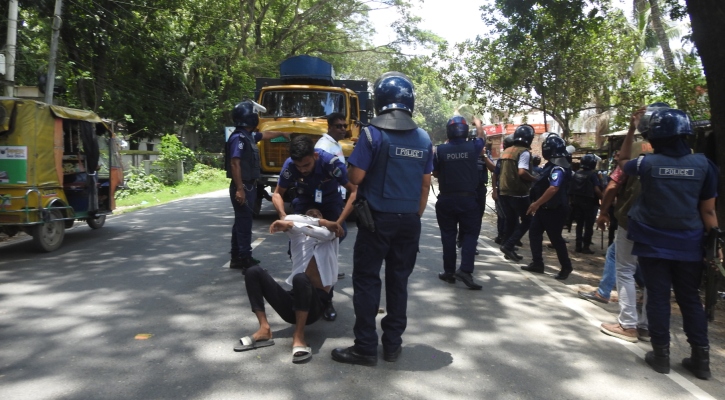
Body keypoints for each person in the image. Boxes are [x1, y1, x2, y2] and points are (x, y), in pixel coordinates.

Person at [331, 72, 433, 366]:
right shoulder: (424, 138)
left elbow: (356, 177)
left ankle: (365, 347)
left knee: (366, 281)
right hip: (409, 222)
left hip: (376, 222)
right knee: (399, 282)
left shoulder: (372, 135)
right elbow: (425, 184)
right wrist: (414, 215)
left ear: (379, 101)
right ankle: (392, 345)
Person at [619, 106, 718, 379]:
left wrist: (631, 128)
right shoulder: (704, 165)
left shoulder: (644, 163)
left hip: (652, 243)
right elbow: (708, 212)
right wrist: (717, 246)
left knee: (658, 297)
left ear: (654, 136)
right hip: (690, 244)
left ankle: (661, 355)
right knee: (690, 299)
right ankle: (701, 359)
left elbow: (621, 159)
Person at [236, 209, 341, 363]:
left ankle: (299, 336)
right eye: (308, 215)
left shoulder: (330, 235)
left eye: (317, 215)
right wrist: (298, 222)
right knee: (253, 271)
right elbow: (290, 218)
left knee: (300, 278)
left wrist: (323, 223)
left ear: (323, 220)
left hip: (315, 305)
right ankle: (264, 329)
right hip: (293, 303)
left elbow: (323, 232)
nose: (312, 216)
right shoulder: (298, 236)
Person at [272, 135, 357, 321]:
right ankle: (301, 293)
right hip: (304, 201)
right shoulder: (289, 165)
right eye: (299, 167)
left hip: (330, 203)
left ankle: (326, 300)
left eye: (307, 165)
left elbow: (354, 191)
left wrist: (339, 222)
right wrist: (283, 217)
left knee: (326, 249)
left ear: (315, 157)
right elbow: (278, 193)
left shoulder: (331, 163)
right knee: (296, 248)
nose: (302, 170)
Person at [226, 100, 288, 272]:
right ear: (250, 117)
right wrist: (240, 188)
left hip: (249, 185)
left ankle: (236, 257)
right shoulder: (238, 138)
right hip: (243, 186)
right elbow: (235, 163)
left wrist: (283, 133)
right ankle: (245, 259)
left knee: (240, 222)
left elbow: (265, 136)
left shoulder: (248, 136)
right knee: (244, 223)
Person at [596, 156, 649, 343]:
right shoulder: (689, 161)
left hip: (632, 222)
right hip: (668, 227)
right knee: (655, 275)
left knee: (625, 269)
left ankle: (627, 324)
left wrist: (603, 212)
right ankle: (646, 326)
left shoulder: (634, 163)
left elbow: (612, 186)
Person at [435, 116, 487, 289]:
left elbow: (435, 172)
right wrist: (479, 124)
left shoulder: (440, 150)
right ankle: (465, 270)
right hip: (468, 200)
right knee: (470, 235)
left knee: (448, 235)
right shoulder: (473, 147)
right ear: (465, 131)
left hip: (446, 199)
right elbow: (482, 138)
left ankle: (449, 272)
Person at [523, 133, 573, 280]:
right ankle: (537, 263)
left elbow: (553, 188)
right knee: (534, 233)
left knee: (555, 239)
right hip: (544, 208)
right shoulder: (551, 166)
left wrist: (536, 203)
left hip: (555, 209)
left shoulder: (559, 168)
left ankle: (566, 266)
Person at [315, 113, 350, 280]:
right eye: (339, 126)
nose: (343, 129)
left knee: (336, 234)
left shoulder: (333, 144)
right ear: (329, 127)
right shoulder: (323, 146)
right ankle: (319, 264)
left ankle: (327, 266)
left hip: (335, 194)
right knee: (338, 232)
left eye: (344, 125)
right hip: (328, 196)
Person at [498, 124, 538, 261]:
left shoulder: (507, 151)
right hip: (518, 193)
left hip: (503, 192)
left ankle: (506, 245)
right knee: (528, 220)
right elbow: (522, 172)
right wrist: (534, 179)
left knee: (511, 220)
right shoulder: (524, 152)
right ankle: (508, 246)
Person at [570, 153, 602, 254]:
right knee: (588, 225)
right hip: (589, 203)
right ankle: (586, 247)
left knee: (579, 224)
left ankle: (578, 246)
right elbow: (597, 189)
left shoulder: (576, 173)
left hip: (577, 202)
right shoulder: (593, 175)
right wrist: (604, 199)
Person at [492, 135, 515, 245]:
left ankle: (507, 238)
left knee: (508, 216)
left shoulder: (514, 158)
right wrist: (495, 191)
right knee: (503, 216)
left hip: (511, 192)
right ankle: (502, 236)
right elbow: (495, 175)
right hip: (502, 192)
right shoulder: (503, 159)